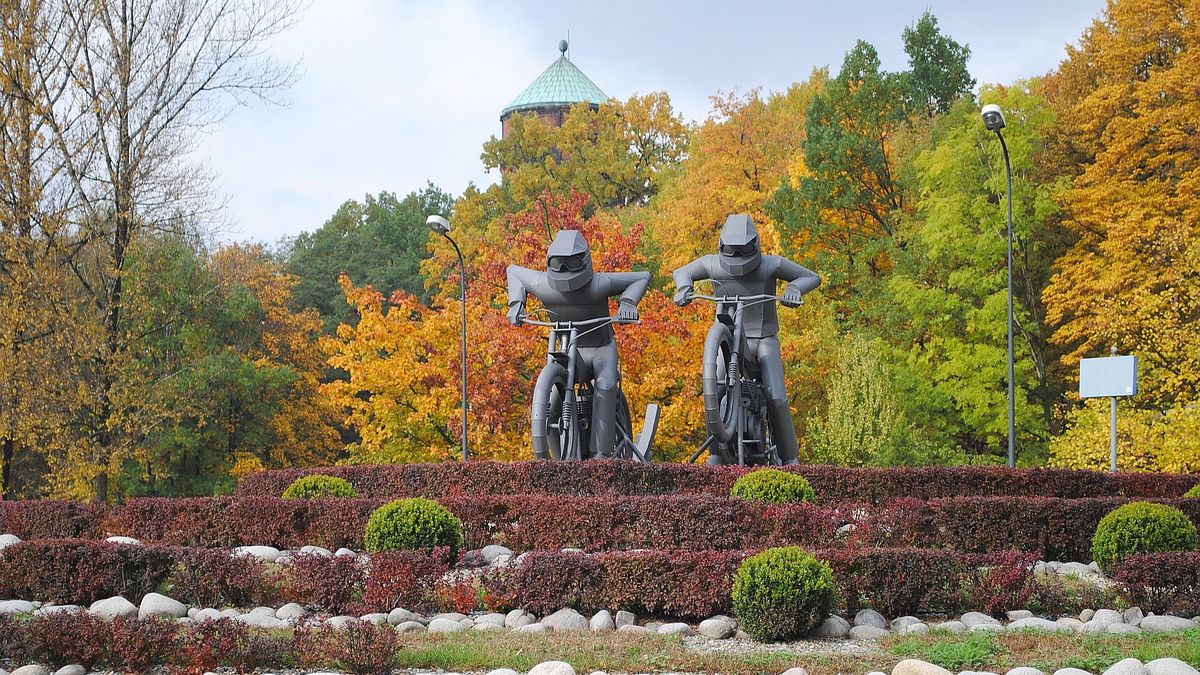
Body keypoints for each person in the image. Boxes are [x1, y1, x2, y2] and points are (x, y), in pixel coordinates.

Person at [672, 214, 820, 464]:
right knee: (715, 386)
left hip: (763, 339)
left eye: (743, 249)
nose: (738, 255)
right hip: (727, 336)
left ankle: (790, 459)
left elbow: (811, 276)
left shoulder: (770, 265)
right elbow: (682, 272)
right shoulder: (712, 264)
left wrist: (794, 290)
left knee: (776, 396)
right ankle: (717, 454)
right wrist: (684, 288)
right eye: (733, 250)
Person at [507, 230, 650, 458]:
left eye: (571, 263)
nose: (564, 269)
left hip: (601, 349)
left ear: (584, 260)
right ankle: (558, 461)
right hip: (567, 347)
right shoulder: (544, 283)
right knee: (552, 406)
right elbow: (513, 272)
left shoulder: (599, 283)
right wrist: (516, 303)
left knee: (605, 384)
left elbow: (642, 276)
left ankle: (601, 455)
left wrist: (628, 303)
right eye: (558, 264)